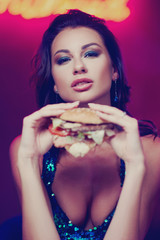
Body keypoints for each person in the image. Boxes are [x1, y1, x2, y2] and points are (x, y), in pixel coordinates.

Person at [9, 9, 160, 240]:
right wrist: (27, 161)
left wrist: (135, 164)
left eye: (90, 54)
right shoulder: (28, 149)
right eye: (63, 59)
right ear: (55, 84)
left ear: (114, 71)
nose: (78, 67)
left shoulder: (151, 151)